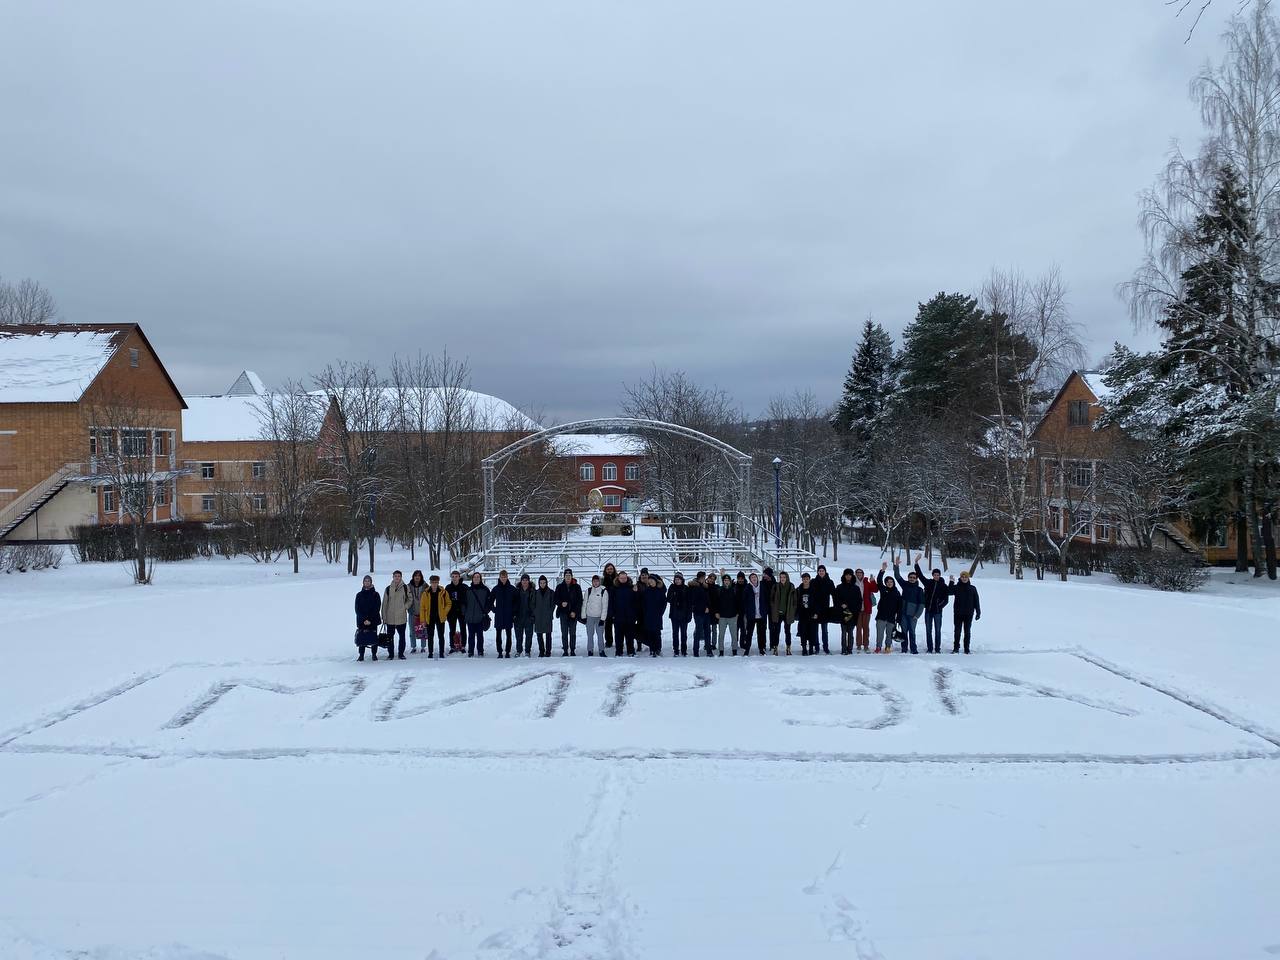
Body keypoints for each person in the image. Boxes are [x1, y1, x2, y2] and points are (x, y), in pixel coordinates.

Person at [914, 554, 950, 654]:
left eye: (938, 575)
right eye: (935, 575)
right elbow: (920, 575)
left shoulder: (943, 586)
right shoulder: (928, 583)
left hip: (938, 612)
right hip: (928, 611)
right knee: (928, 631)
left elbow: (946, 600)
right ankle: (930, 648)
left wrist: (939, 606)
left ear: (940, 575)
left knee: (938, 631)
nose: (936, 576)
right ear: (932, 575)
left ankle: (937, 649)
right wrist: (916, 563)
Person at [893, 556, 924, 655]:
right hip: (903, 613)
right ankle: (904, 648)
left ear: (916, 579)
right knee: (904, 631)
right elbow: (897, 576)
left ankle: (914, 648)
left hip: (913, 615)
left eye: (913, 578)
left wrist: (917, 615)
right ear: (908, 578)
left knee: (912, 632)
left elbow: (922, 604)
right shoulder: (905, 585)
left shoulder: (919, 590)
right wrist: (896, 566)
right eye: (910, 577)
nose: (912, 579)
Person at [418, 573, 452, 659]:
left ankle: (441, 652)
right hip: (429, 617)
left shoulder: (443, 592)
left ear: (438, 582)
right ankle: (430, 652)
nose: (434, 584)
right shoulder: (425, 593)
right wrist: (423, 620)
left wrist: (444, 612)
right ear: (430, 582)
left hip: (440, 617)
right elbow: (422, 607)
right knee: (430, 636)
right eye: (432, 582)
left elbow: (449, 603)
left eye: (436, 582)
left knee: (441, 635)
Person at [948, 570, 982, 654]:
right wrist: (951, 582)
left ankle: (966, 648)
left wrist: (978, 612)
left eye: (965, 577)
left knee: (967, 631)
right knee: (957, 631)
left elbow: (976, 601)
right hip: (958, 613)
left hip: (968, 613)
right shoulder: (956, 587)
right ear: (960, 578)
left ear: (968, 578)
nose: (964, 578)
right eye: (962, 577)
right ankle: (956, 648)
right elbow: (949, 592)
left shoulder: (972, 588)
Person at [382, 570, 411, 660]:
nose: (397, 578)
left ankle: (401, 654)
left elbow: (410, 599)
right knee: (390, 637)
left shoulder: (405, 588)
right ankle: (390, 654)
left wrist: (404, 607)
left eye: (398, 576)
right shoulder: (388, 589)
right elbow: (384, 604)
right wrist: (383, 616)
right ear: (393, 577)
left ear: (401, 577)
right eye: (395, 576)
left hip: (401, 617)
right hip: (390, 617)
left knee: (402, 636)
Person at [554, 568, 583, 656]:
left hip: (573, 613)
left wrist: (575, 611)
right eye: (566, 576)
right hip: (563, 613)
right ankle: (565, 650)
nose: (568, 577)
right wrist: (560, 603)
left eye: (569, 576)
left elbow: (580, 600)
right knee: (564, 632)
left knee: (573, 633)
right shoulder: (559, 587)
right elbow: (555, 599)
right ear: (564, 577)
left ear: (572, 576)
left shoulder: (577, 587)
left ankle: (573, 649)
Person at [490, 569, 518, 658]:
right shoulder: (496, 589)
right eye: (502, 577)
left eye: (505, 577)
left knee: (508, 634)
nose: (503, 579)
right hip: (499, 615)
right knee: (498, 635)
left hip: (508, 615)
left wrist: (513, 612)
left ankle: (507, 652)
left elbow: (516, 602)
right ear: (499, 577)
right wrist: (494, 609)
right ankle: (499, 652)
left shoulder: (512, 588)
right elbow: (490, 600)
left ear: (507, 577)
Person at [874, 563, 901, 653]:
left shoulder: (897, 593)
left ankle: (888, 647)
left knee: (889, 634)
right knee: (880, 634)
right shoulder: (883, 589)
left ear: (893, 583)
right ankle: (878, 647)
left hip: (891, 617)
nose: (890, 583)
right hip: (881, 616)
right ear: (886, 583)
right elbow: (879, 580)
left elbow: (899, 606)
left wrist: (898, 617)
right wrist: (882, 570)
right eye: (888, 582)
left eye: (891, 582)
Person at [463, 571, 492, 657]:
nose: (476, 579)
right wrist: (465, 612)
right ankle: (471, 651)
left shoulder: (485, 590)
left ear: (480, 579)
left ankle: (480, 651)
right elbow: (464, 603)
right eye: (474, 577)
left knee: (480, 635)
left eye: (478, 577)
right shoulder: (468, 590)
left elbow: (489, 603)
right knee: (471, 636)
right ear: (472, 579)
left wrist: (485, 611)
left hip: (480, 617)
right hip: (470, 617)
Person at [834, 567, 861, 655]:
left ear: (852, 576)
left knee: (850, 632)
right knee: (843, 632)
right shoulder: (839, 587)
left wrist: (853, 609)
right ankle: (843, 649)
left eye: (850, 575)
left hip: (852, 614)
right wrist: (841, 605)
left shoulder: (856, 588)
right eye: (846, 575)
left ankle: (849, 649)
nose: (848, 576)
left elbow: (859, 601)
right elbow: (836, 599)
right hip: (842, 613)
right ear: (844, 576)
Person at [355, 574, 382, 661]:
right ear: (363, 583)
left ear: (371, 582)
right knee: (362, 637)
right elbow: (357, 609)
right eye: (365, 581)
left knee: (373, 637)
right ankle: (361, 655)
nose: (367, 582)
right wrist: (364, 619)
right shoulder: (359, 595)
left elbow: (377, 608)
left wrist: (370, 620)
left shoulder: (376, 594)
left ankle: (374, 654)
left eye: (368, 581)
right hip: (362, 621)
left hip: (372, 620)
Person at [610, 570, 637, 657]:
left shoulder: (631, 587)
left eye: (624, 578)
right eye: (621, 578)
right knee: (618, 636)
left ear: (627, 578)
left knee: (630, 635)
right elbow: (610, 602)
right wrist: (612, 614)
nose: (623, 579)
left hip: (630, 616)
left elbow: (636, 601)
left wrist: (634, 614)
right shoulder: (614, 588)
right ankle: (619, 651)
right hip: (618, 616)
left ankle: (631, 651)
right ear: (618, 578)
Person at [583, 573, 610, 656]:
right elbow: (584, 604)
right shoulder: (588, 590)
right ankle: (590, 650)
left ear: (599, 582)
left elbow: (605, 606)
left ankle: (601, 650)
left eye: (597, 581)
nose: (595, 583)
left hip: (599, 617)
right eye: (594, 581)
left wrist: (603, 619)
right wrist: (583, 616)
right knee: (590, 635)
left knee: (600, 635)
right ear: (592, 582)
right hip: (590, 616)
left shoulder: (603, 591)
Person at [769, 570, 796, 654]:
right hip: (778, 613)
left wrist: (793, 609)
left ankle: (788, 647)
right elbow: (772, 598)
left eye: (784, 577)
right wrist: (773, 607)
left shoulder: (791, 586)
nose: (782, 579)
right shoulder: (776, 586)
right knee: (776, 631)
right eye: (781, 577)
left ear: (787, 577)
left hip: (787, 613)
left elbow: (795, 600)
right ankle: (775, 647)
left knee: (787, 631)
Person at [740, 572, 767, 655]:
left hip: (761, 614)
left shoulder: (762, 587)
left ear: (757, 578)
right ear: (750, 579)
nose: (754, 578)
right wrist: (747, 611)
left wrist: (765, 610)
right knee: (749, 633)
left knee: (761, 633)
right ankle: (747, 649)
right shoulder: (747, 588)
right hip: (751, 615)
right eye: (752, 577)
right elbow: (744, 601)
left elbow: (767, 599)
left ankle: (761, 649)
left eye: (755, 577)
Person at [641, 573, 667, 655]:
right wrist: (645, 612)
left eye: (652, 580)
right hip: (648, 615)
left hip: (657, 615)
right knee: (650, 632)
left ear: (656, 581)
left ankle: (658, 648)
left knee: (657, 633)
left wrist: (660, 612)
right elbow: (643, 603)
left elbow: (664, 603)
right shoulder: (647, 591)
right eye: (649, 581)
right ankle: (652, 648)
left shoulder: (660, 591)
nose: (651, 582)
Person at [667, 572, 692, 656]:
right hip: (674, 615)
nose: (677, 581)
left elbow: (689, 603)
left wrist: (689, 615)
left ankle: (684, 650)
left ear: (682, 580)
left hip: (684, 615)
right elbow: (668, 599)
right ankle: (676, 650)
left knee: (684, 634)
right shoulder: (672, 587)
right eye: (675, 579)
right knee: (675, 633)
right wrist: (673, 596)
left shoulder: (686, 588)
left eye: (678, 579)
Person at [853, 568, 878, 653]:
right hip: (857, 609)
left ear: (863, 574)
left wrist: (873, 581)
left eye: (860, 573)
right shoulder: (853, 582)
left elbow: (875, 590)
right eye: (857, 573)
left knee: (866, 627)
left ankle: (866, 645)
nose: (859, 574)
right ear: (855, 574)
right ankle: (859, 645)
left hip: (867, 608)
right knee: (858, 628)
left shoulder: (866, 581)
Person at [795, 571, 819, 655]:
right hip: (802, 614)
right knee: (803, 632)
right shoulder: (799, 589)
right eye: (804, 579)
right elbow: (796, 602)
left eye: (807, 579)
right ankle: (804, 648)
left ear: (809, 579)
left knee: (812, 632)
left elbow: (817, 602)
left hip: (812, 614)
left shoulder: (814, 589)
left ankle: (811, 648)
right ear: (802, 580)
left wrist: (816, 612)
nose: (805, 580)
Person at [812, 565, 835, 654]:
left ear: (825, 572)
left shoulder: (829, 582)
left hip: (825, 608)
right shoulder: (813, 582)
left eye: (822, 570)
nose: (821, 572)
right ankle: (816, 647)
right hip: (815, 608)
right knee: (815, 629)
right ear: (818, 572)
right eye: (820, 571)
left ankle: (826, 647)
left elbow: (834, 594)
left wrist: (835, 606)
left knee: (824, 630)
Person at [513, 573, 536, 657]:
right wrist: (514, 614)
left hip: (529, 617)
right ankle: (519, 651)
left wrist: (533, 615)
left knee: (529, 635)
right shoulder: (516, 590)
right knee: (518, 636)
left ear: (529, 581)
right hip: (518, 616)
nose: (525, 582)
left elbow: (535, 604)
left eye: (526, 580)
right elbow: (513, 603)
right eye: (523, 580)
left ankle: (527, 651)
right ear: (521, 581)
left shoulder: (533, 591)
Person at [688, 571, 710, 657]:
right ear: (698, 578)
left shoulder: (705, 587)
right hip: (698, 612)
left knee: (708, 631)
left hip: (706, 612)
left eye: (704, 578)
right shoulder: (693, 587)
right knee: (698, 631)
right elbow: (693, 601)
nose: (703, 579)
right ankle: (695, 651)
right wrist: (703, 608)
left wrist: (708, 607)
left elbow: (708, 599)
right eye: (702, 578)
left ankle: (708, 650)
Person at [715, 573, 737, 656]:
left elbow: (737, 602)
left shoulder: (734, 589)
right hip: (722, 616)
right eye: (725, 580)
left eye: (728, 580)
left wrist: (737, 613)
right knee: (721, 635)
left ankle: (734, 650)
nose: (726, 582)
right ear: (723, 581)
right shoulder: (719, 590)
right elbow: (716, 602)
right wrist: (716, 612)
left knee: (734, 635)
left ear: (730, 581)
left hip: (732, 616)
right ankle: (721, 651)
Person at [533, 575, 556, 656]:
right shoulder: (536, 593)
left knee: (548, 634)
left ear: (546, 583)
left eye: (544, 582)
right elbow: (533, 604)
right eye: (541, 583)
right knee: (539, 634)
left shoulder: (551, 592)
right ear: (539, 583)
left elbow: (553, 604)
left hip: (547, 616)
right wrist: (535, 612)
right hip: (538, 616)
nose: (542, 584)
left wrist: (550, 612)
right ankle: (541, 650)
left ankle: (548, 651)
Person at [445, 570, 467, 654]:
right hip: (452, 612)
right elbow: (445, 600)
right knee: (452, 630)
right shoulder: (448, 587)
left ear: (459, 577)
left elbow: (467, 600)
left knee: (463, 629)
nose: (454, 578)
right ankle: (452, 646)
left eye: (456, 576)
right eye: (453, 577)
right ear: (451, 577)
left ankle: (463, 645)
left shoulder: (464, 587)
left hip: (462, 612)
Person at [407, 570, 428, 654]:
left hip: (423, 613)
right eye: (415, 575)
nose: (417, 577)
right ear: (413, 577)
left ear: (421, 577)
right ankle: (413, 646)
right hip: (412, 612)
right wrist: (408, 608)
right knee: (412, 630)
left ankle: (423, 647)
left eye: (419, 576)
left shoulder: (425, 586)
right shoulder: (408, 586)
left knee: (423, 630)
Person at [704, 572, 722, 656]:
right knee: (707, 629)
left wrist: (717, 611)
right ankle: (707, 643)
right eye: (710, 578)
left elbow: (718, 600)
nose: (711, 580)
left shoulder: (716, 587)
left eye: (713, 579)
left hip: (714, 611)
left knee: (714, 629)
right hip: (706, 610)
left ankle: (713, 644)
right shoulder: (704, 586)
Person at [601, 562, 618, 650]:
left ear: (614, 569)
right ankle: (609, 642)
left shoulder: (618, 579)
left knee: (618, 625)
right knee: (607, 625)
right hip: (607, 605)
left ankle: (619, 641)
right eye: (608, 569)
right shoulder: (603, 580)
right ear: (605, 570)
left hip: (617, 605)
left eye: (611, 569)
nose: (610, 570)